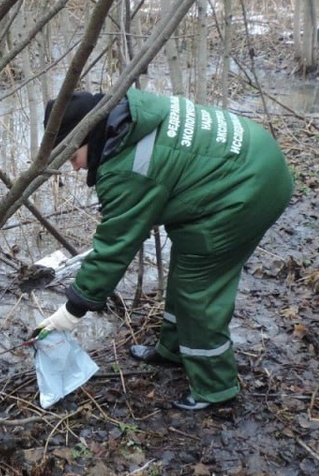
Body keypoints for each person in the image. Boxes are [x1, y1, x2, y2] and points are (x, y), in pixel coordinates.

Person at [36, 88, 293, 411]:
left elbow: (115, 245)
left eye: (73, 157)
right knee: (187, 266)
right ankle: (172, 349)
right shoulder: (133, 114)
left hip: (248, 187)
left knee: (199, 291)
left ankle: (216, 389)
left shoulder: (126, 168)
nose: (74, 168)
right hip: (251, 158)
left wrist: (71, 311)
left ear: (88, 135)